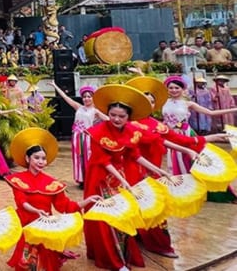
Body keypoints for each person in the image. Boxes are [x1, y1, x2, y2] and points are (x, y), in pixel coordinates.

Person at [125, 76, 228, 257]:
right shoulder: (128, 124)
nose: (148, 105)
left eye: (151, 102)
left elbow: (179, 140)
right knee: (137, 205)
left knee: (156, 208)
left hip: (153, 171)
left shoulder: (158, 125)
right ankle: (137, 237)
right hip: (132, 171)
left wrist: (208, 139)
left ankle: (159, 243)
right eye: (144, 101)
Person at [84, 84, 175, 271]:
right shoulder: (98, 132)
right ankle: (112, 259)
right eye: (113, 115)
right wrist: (124, 181)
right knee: (108, 219)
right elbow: (104, 161)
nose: (116, 119)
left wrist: (161, 171)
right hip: (100, 178)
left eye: (121, 116)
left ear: (129, 117)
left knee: (123, 216)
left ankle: (124, 256)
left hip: (119, 177)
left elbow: (136, 156)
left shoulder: (131, 132)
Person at [6, 128, 101, 271]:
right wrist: (36, 210)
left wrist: (88, 200)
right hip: (27, 224)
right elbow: (21, 202)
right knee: (27, 264)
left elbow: (65, 206)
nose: (41, 161)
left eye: (43, 158)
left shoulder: (52, 183)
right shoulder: (18, 180)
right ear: (27, 159)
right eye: (36, 158)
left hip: (46, 225)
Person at [161, 75, 237, 174]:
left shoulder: (188, 104)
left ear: (182, 89)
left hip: (184, 133)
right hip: (169, 134)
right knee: (173, 158)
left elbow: (211, 113)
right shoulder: (163, 102)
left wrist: (234, 109)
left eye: (176, 88)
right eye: (171, 88)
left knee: (187, 159)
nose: (174, 90)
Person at [48, 82, 107, 186]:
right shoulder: (78, 107)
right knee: (78, 158)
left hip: (88, 137)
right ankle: (81, 180)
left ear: (93, 98)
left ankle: (90, 179)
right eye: (84, 97)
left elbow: (108, 119)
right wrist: (55, 85)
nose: (86, 99)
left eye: (89, 96)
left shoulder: (95, 111)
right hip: (76, 136)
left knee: (88, 158)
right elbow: (65, 97)